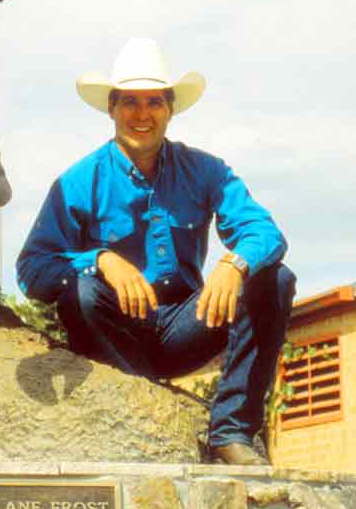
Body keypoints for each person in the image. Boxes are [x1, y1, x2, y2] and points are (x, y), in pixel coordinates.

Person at [16, 37, 295, 464]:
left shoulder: (207, 171)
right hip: (116, 332)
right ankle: (138, 405)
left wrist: (234, 263)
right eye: (130, 102)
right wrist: (100, 260)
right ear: (111, 108)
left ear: (170, 109)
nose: (141, 115)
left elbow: (266, 233)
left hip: (186, 324)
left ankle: (232, 431)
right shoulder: (78, 181)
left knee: (274, 279)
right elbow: (32, 271)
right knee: (82, 292)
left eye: (153, 102)